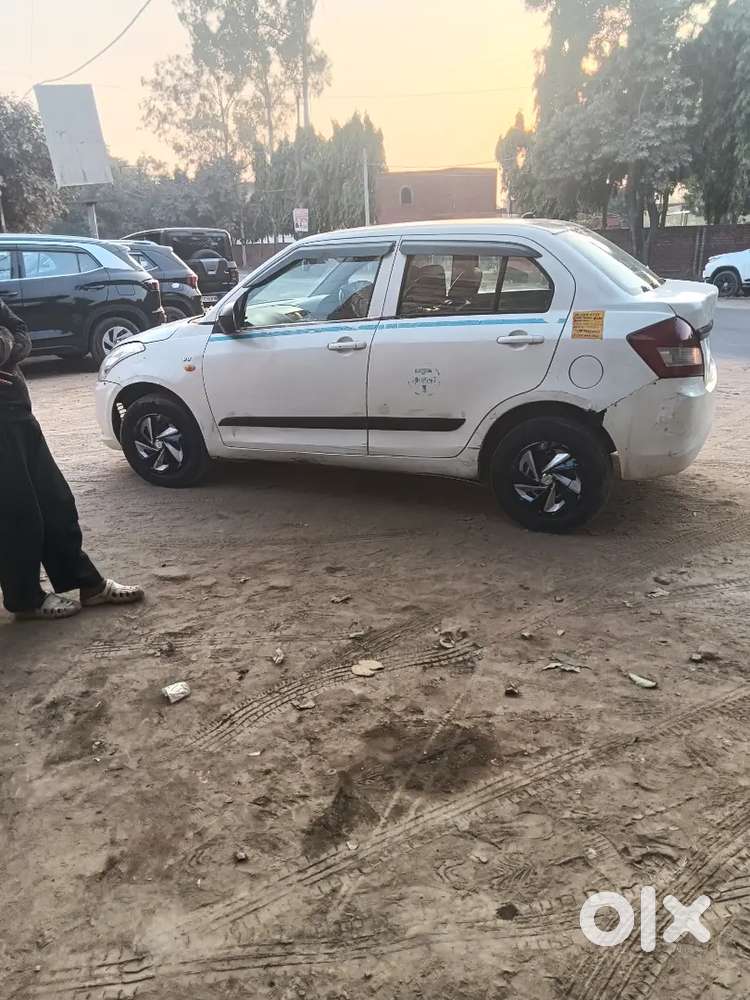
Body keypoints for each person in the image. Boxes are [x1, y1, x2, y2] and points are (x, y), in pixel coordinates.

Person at [0, 297, 143, 620]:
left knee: (55, 501)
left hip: (16, 411)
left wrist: (6, 344)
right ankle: (25, 598)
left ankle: (87, 583)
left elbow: (19, 331)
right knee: (16, 513)